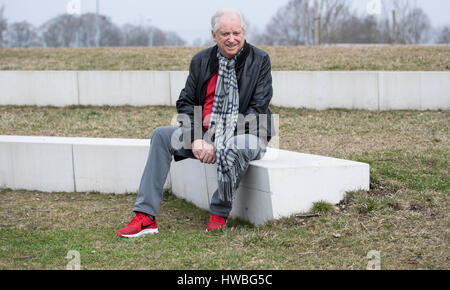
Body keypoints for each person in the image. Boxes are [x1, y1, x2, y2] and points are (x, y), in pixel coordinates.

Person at [116, 8, 274, 237]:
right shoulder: (201, 61)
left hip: (248, 133)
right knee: (161, 135)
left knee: (236, 145)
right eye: (225, 33)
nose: (231, 39)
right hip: (205, 134)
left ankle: (219, 213)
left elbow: (258, 107)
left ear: (244, 33)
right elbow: (186, 102)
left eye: (236, 33)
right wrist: (197, 138)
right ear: (214, 35)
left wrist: (218, 142)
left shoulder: (260, 60)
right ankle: (145, 217)